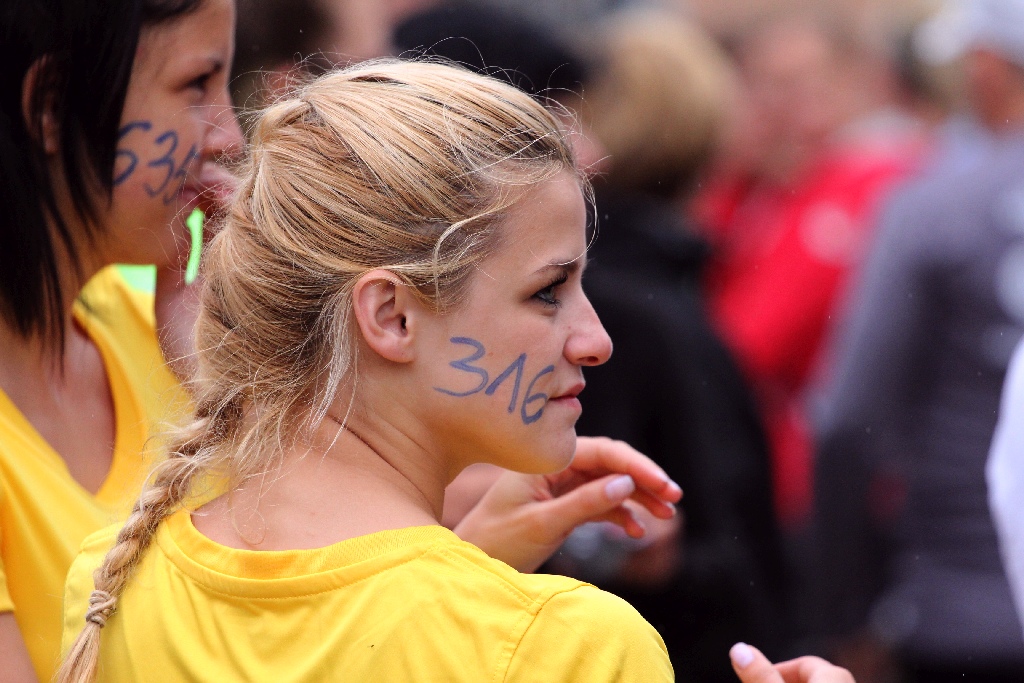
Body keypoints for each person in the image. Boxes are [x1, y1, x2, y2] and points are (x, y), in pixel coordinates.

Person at [0, 1, 685, 680]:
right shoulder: (579, 647)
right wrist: (492, 616)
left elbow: (322, 615)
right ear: (390, 316)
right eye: (546, 291)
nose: (597, 341)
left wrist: (472, 575)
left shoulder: (108, 587)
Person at [813, 0, 1024, 679]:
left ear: (989, 68)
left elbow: (846, 419)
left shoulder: (932, 208)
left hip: (961, 605)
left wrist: (844, 609)